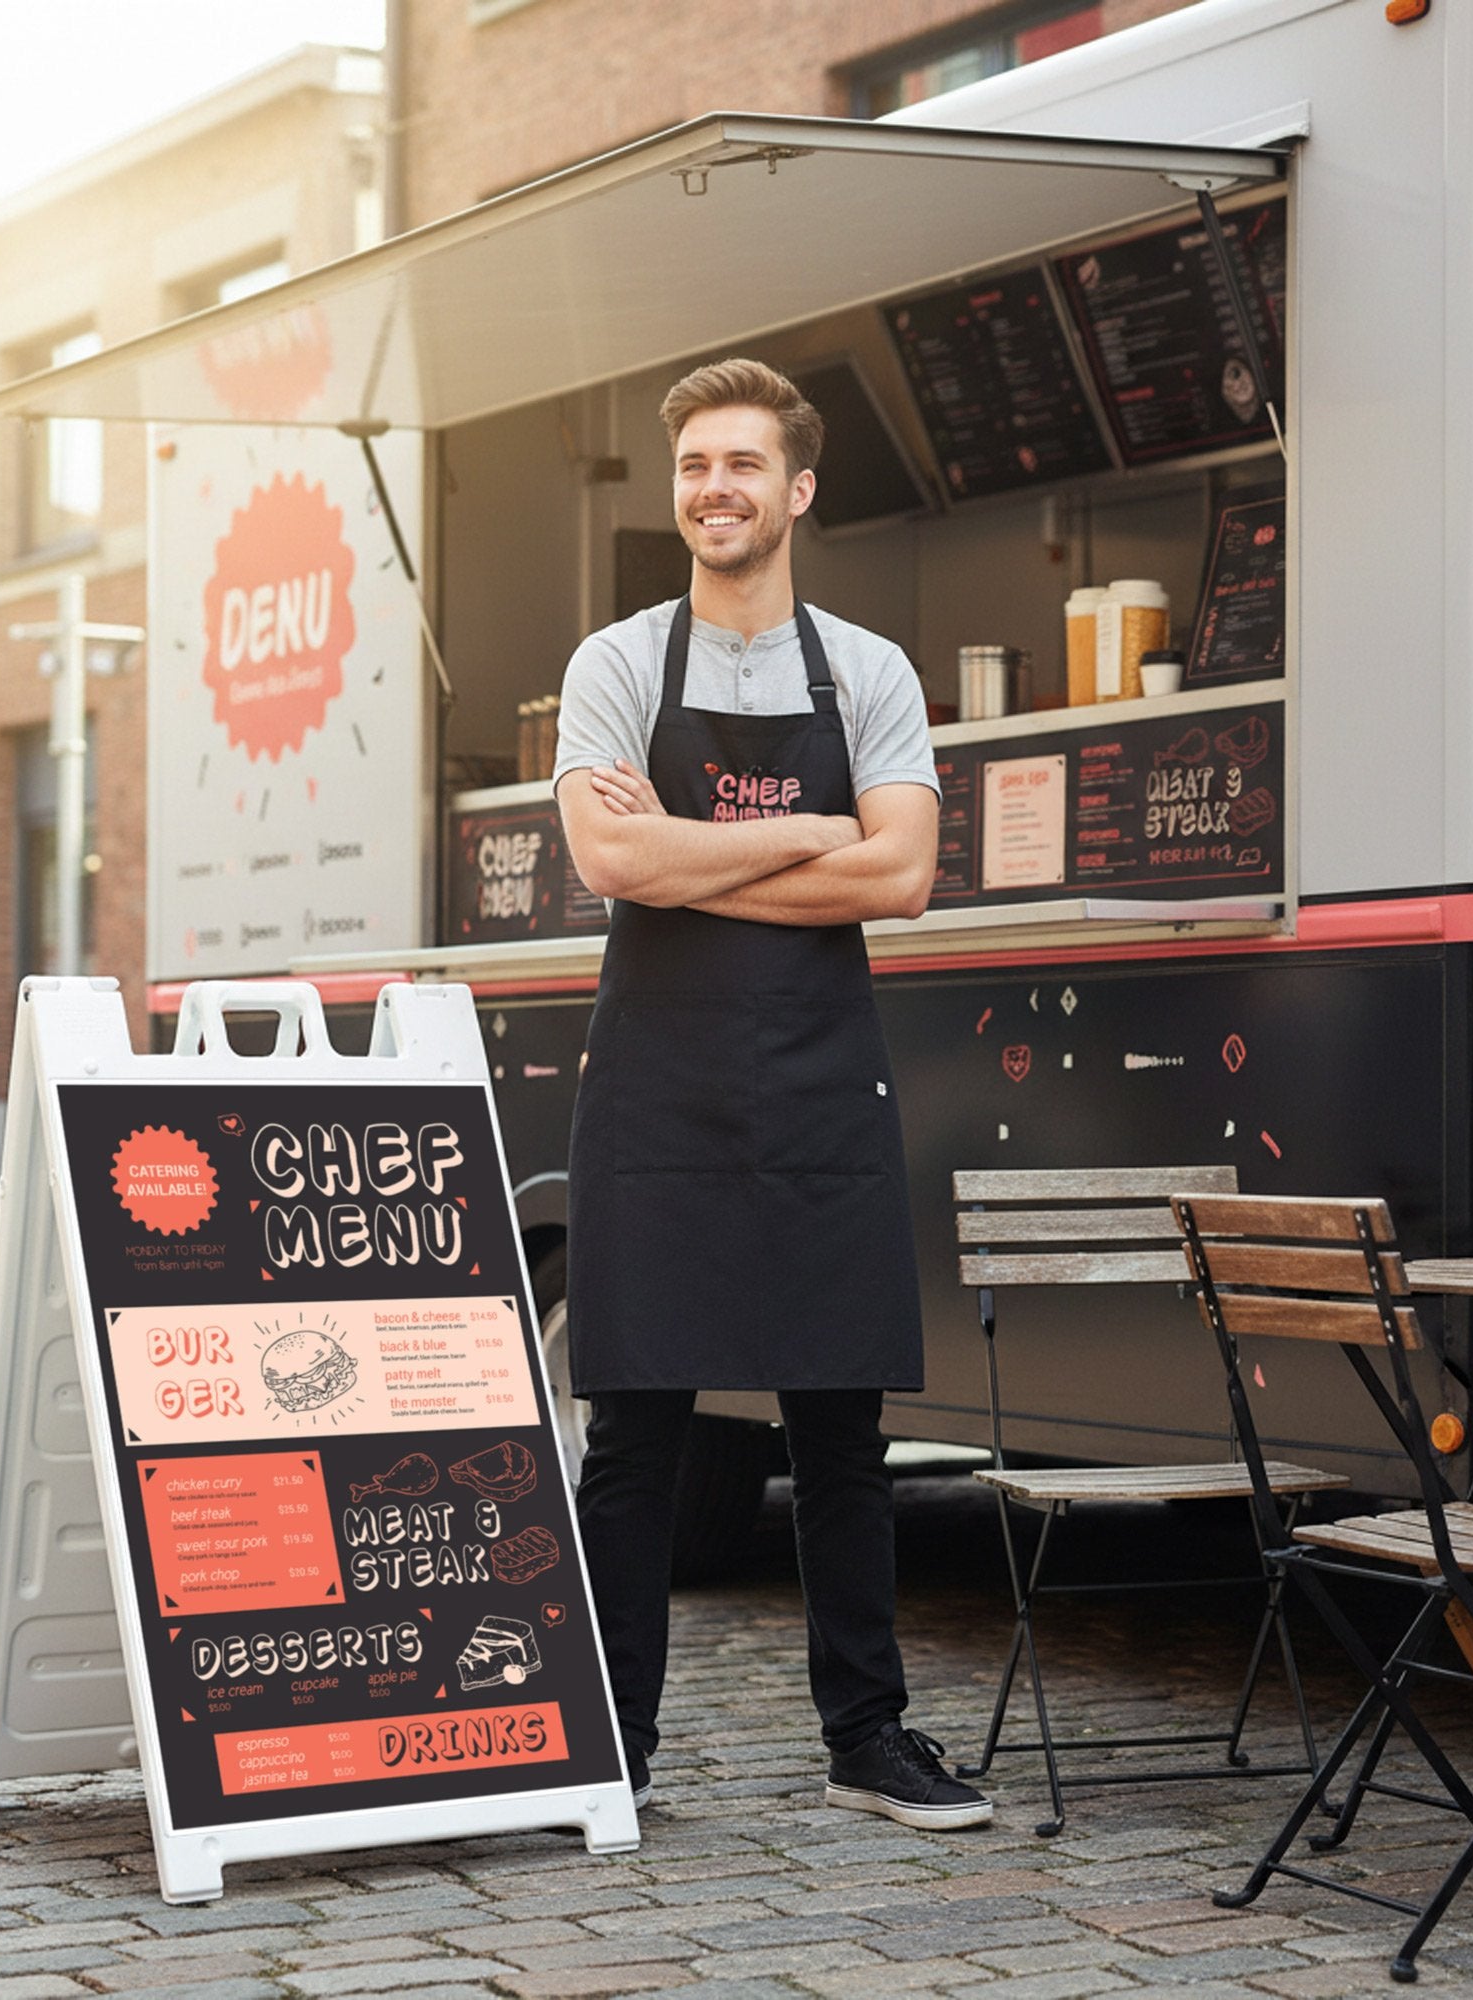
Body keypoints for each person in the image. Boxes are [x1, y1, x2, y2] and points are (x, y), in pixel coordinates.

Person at [552, 356, 990, 1830]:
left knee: (841, 1434)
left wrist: (692, 855)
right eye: (694, 467)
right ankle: (612, 1749)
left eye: (741, 464)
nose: (713, 489)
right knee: (635, 1436)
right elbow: (612, 861)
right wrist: (813, 828)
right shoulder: (617, 665)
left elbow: (904, 876)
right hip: (656, 1091)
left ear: (798, 489)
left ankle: (867, 1736)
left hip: (818, 1088)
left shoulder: (867, 671)